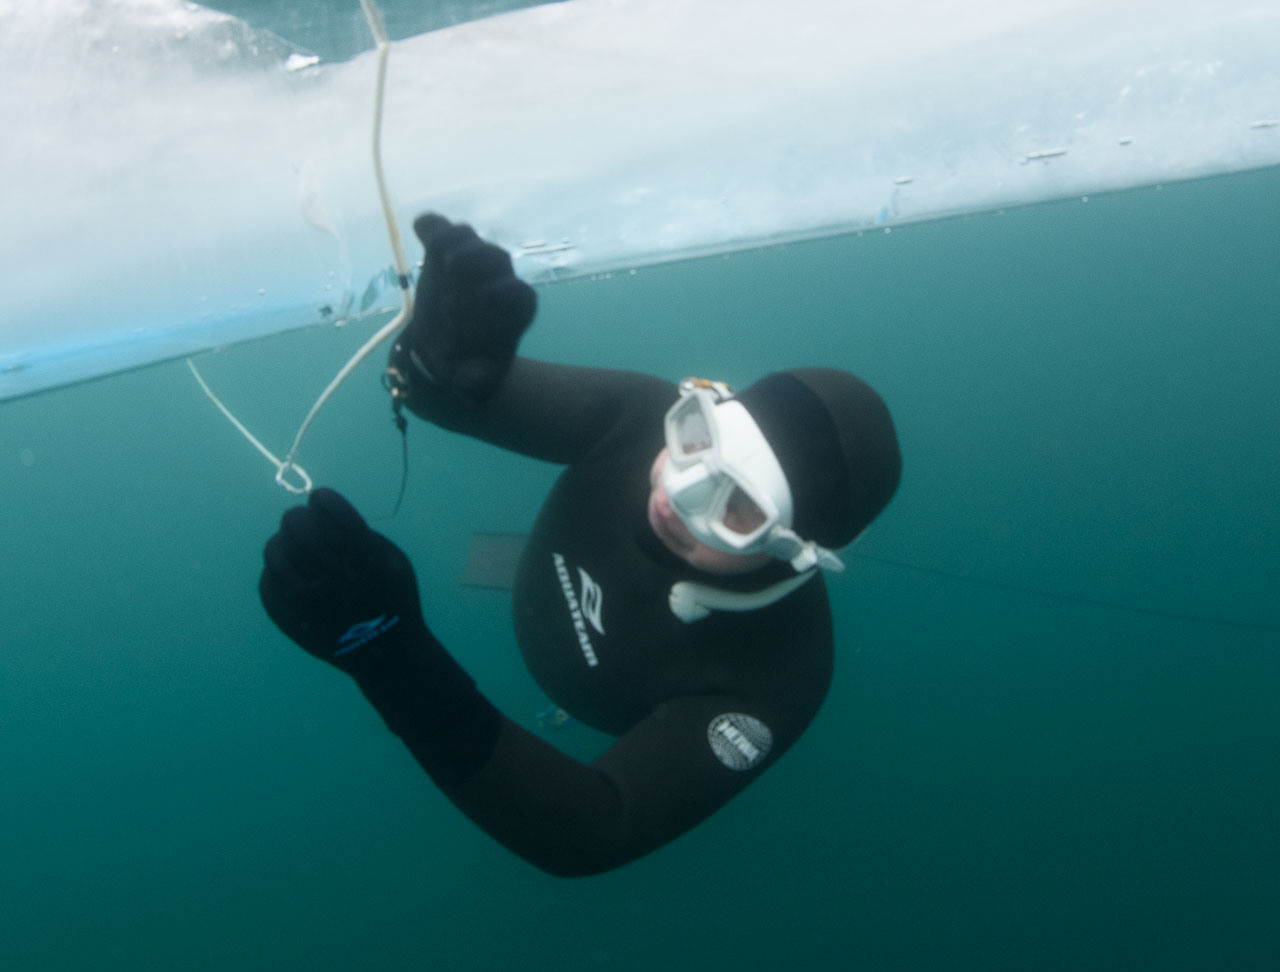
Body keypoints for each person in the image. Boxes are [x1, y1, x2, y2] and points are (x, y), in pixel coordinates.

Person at [259, 215, 902, 876]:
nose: (676, 494)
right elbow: (437, 393)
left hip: (583, 693)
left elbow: (593, 830)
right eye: (696, 440)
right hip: (531, 582)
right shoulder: (639, 416)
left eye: (737, 506)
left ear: (793, 549)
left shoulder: (777, 678)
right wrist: (435, 360)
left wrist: (389, 657)